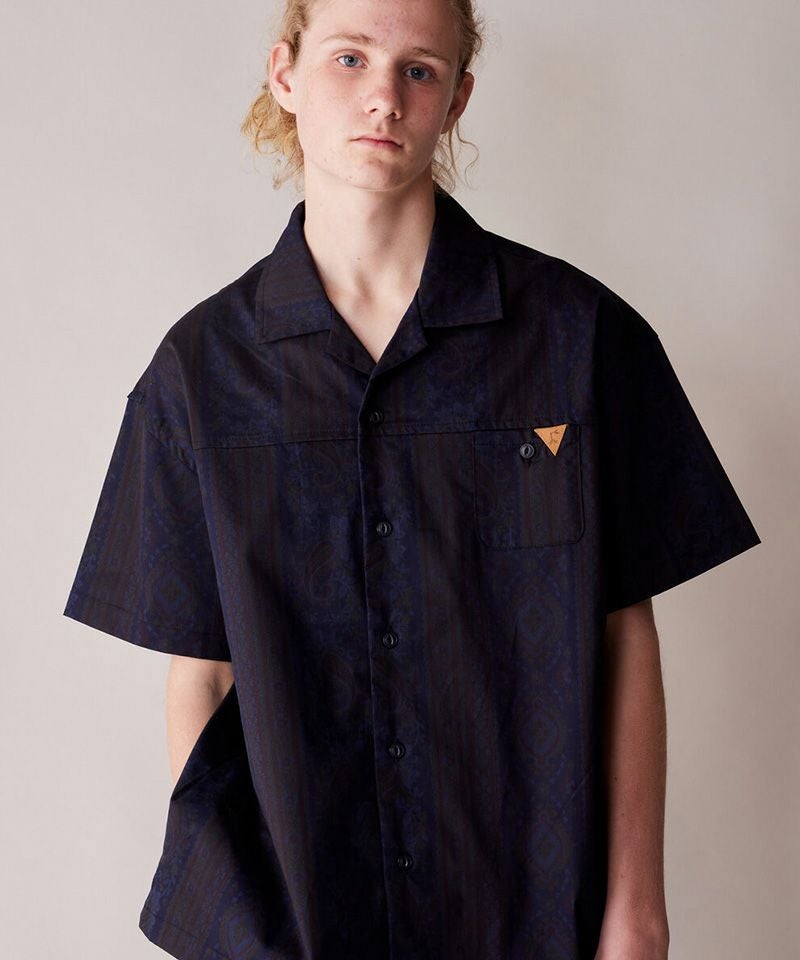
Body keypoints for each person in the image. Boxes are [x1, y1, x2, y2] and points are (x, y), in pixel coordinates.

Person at [62, 1, 761, 958]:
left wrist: (636, 914)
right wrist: (229, 926)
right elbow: (203, 669)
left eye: (419, 70)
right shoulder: (201, 373)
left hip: (529, 917)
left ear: (457, 98)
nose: (384, 97)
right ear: (285, 74)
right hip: (296, 928)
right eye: (350, 58)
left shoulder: (579, 339)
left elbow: (622, 630)